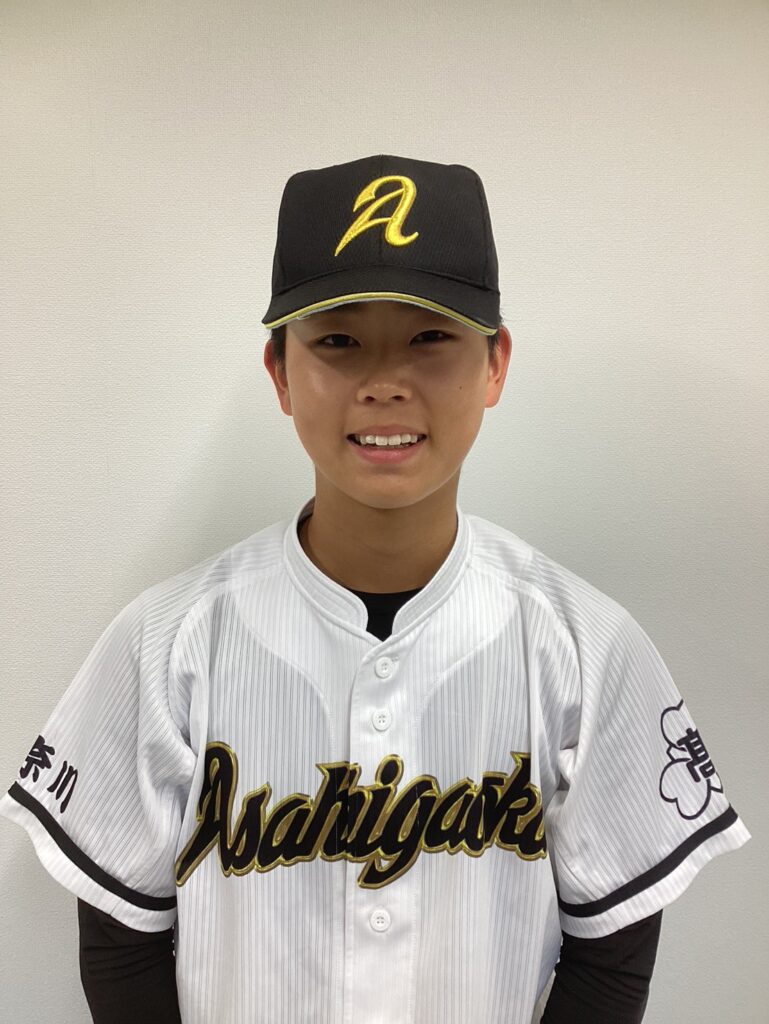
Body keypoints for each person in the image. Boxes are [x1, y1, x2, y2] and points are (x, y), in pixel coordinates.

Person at [0, 154, 750, 1024]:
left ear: (494, 364)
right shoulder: (165, 642)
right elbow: (120, 945)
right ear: (280, 372)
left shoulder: (587, 645)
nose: (384, 382)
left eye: (430, 337)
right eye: (338, 341)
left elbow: (610, 964)